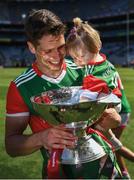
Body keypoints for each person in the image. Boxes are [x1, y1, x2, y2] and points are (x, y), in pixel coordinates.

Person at [5, 9, 122, 179]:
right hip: (61, 170)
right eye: (48, 51)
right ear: (31, 47)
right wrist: (42, 138)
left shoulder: (83, 67)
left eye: (61, 47)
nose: (57, 56)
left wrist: (109, 117)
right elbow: (11, 146)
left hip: (103, 161)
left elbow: (111, 109)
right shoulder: (21, 86)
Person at [66, 17, 133, 179]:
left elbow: (87, 99)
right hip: (117, 105)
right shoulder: (105, 62)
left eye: (81, 56)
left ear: (97, 47)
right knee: (106, 139)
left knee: (94, 138)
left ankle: (112, 167)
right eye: (74, 58)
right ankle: (118, 166)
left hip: (111, 108)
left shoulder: (91, 72)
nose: (78, 61)